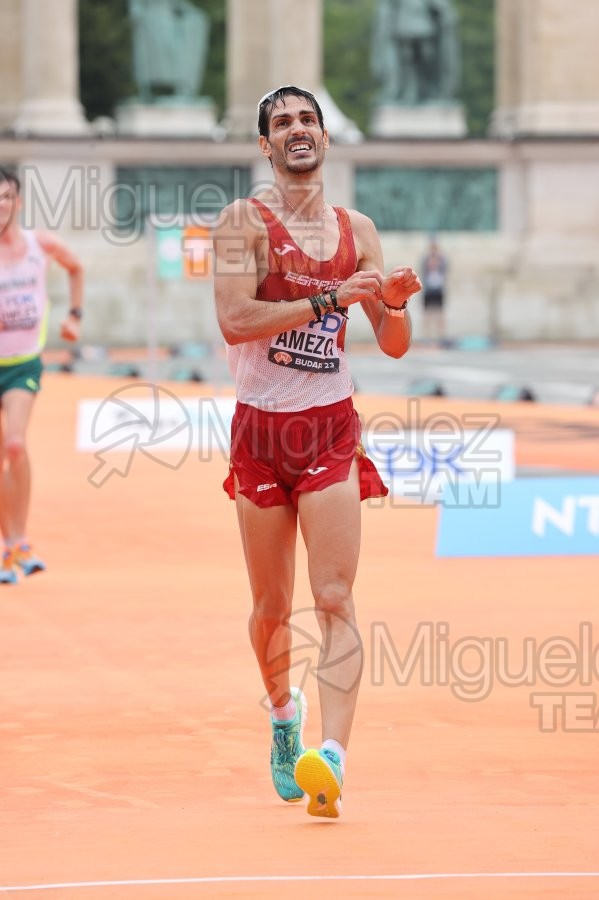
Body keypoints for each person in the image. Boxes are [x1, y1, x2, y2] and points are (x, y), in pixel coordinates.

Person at [212, 86, 421, 819]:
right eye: (281, 123)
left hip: (329, 427)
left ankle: (329, 755)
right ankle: (281, 715)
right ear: (266, 147)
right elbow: (236, 319)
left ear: (325, 139)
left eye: (307, 119)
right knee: (271, 607)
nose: (297, 130)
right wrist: (332, 301)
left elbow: (392, 346)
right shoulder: (244, 222)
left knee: (333, 598)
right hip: (262, 434)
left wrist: (389, 302)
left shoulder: (356, 230)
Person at [0, 168, 84, 584]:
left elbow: (76, 268)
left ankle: (20, 540)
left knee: (14, 445)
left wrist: (74, 315)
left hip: (22, 364)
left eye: (5, 197)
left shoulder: (40, 245)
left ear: (17, 202)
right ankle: (6, 547)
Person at [421, 235, 448, 344]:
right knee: (427, 314)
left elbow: (445, 270)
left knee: (439, 314)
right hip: (428, 290)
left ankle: (440, 337)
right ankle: (427, 337)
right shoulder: (425, 259)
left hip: (438, 289)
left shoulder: (442, 259)